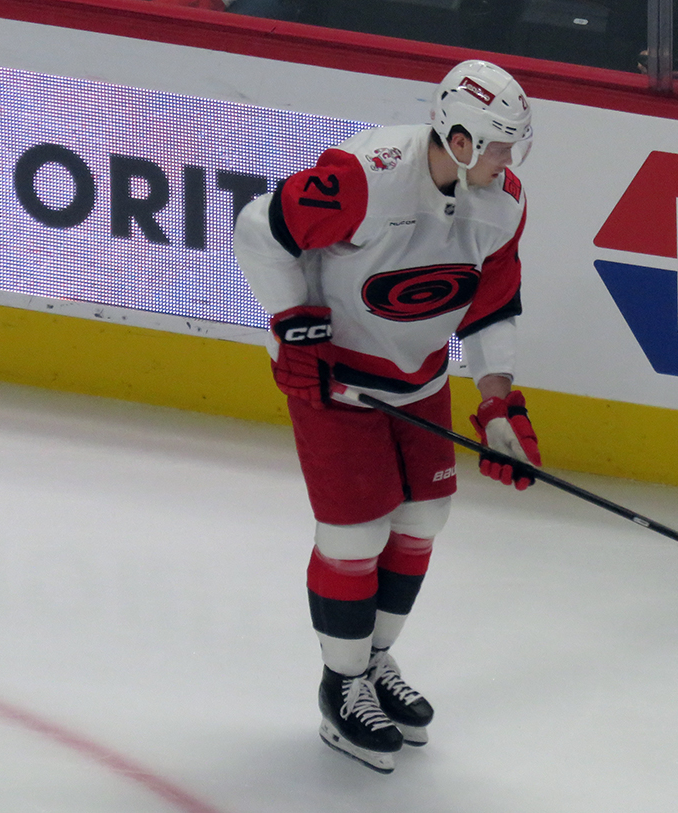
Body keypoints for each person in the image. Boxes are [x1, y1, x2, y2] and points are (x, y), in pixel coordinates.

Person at [232, 59, 542, 774]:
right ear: (458, 140)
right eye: (499, 146)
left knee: (424, 518)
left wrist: (497, 401)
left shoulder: (504, 202)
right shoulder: (363, 174)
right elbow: (261, 227)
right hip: (336, 378)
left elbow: (494, 302)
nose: (509, 162)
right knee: (355, 530)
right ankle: (341, 686)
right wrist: (292, 321)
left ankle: (372, 662)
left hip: (421, 374)